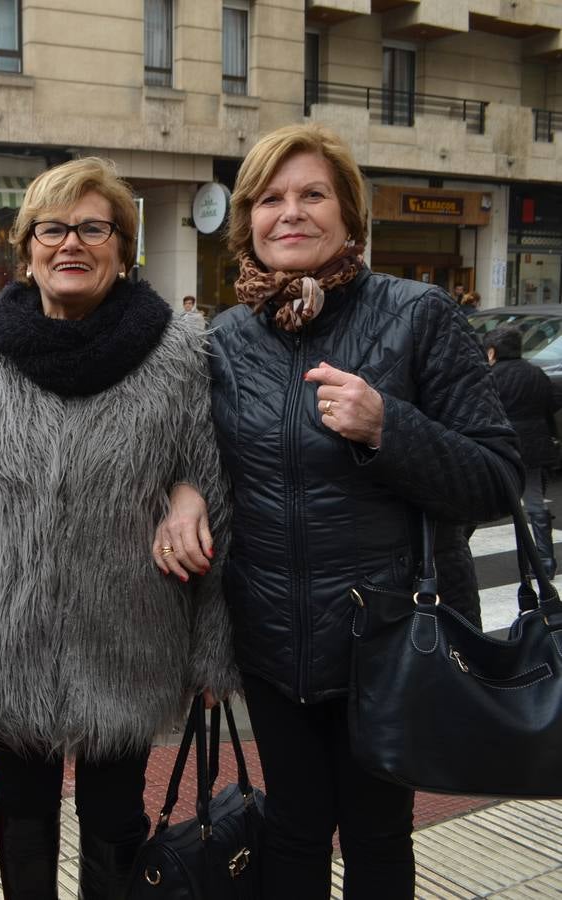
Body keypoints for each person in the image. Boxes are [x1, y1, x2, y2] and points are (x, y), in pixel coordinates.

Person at [161, 123, 522, 899]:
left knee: (376, 839)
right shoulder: (225, 339)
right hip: (273, 643)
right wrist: (185, 491)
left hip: (387, 646)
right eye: (269, 197)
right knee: (291, 832)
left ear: (351, 215)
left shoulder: (418, 315)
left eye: (312, 194)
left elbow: (498, 478)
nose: (289, 213)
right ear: (248, 220)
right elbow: (200, 457)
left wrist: (389, 426)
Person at [0, 156, 236, 900]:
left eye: (93, 227)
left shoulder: (177, 357)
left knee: (116, 816)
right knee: (22, 814)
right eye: (53, 229)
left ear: (121, 248)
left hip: (131, 637)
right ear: (27, 248)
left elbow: (210, 496)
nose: (71, 244)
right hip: (7, 639)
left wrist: (214, 653)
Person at [486, 325, 558, 575]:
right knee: (535, 501)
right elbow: (550, 404)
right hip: (536, 446)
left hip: (504, 447)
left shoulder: (491, 377)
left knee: (485, 498)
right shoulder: (536, 373)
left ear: (492, 352)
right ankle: (545, 560)